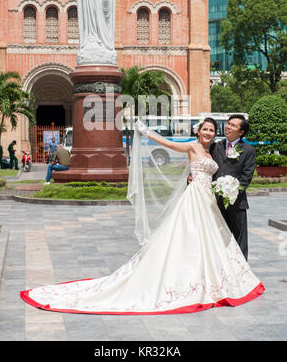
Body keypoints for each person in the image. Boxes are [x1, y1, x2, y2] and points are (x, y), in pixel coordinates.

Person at [21, 117, 264, 315]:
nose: (209, 133)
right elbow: (168, 144)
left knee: (211, 239)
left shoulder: (214, 149)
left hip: (209, 200)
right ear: (198, 131)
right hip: (193, 199)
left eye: (212, 130)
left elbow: (221, 170)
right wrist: (146, 132)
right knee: (186, 236)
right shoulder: (192, 146)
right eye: (205, 129)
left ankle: (216, 277)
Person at [210, 114, 256, 261]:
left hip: (237, 203)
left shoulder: (248, 150)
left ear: (241, 132)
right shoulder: (215, 146)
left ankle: (243, 273)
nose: (228, 127)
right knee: (218, 238)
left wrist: (231, 192)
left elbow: (246, 177)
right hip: (215, 204)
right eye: (228, 124)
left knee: (239, 240)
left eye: (233, 125)